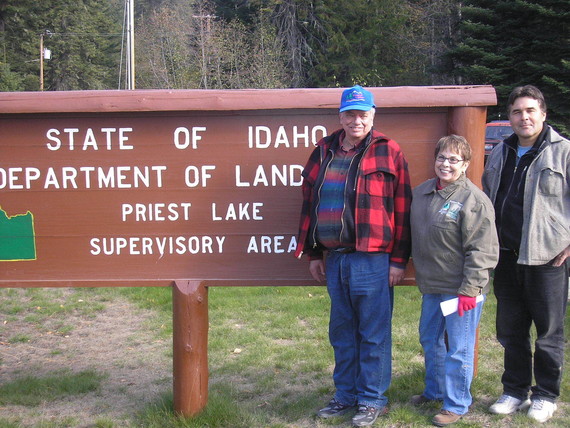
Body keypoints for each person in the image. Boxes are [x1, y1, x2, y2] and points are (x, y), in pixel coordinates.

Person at [294, 85, 412, 426]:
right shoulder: (323, 150)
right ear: (340, 116)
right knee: (342, 332)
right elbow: (309, 202)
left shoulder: (389, 151)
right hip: (335, 259)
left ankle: (372, 399)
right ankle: (345, 396)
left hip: (373, 260)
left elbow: (402, 209)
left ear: (373, 115)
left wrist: (398, 260)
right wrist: (314, 253)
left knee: (373, 333)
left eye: (363, 113)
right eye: (350, 113)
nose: (356, 120)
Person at [482, 85, 570, 423]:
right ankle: (515, 390)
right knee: (511, 330)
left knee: (548, 332)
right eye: (517, 112)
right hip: (505, 256)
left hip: (546, 258)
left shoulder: (562, 152)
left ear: (543, 114)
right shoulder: (502, 151)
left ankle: (545, 395)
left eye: (531, 110)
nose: (524, 117)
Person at [409, 135, 499, 426]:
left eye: (453, 160)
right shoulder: (421, 194)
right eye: (442, 158)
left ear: (465, 165)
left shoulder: (474, 201)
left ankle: (457, 404)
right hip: (432, 287)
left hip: (461, 290)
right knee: (430, 339)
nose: (446, 164)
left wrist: (470, 290)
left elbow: (482, 250)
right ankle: (434, 391)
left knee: (459, 348)